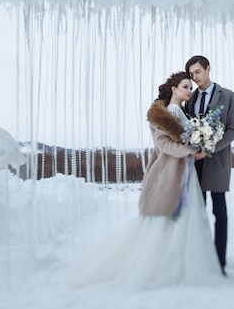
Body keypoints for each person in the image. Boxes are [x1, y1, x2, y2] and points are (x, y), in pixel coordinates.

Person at [68, 71, 223, 288]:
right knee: (161, 223)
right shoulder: (165, 114)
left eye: (191, 87)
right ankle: (154, 266)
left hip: (185, 173)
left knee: (184, 220)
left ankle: (181, 265)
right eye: (186, 86)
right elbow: (164, 145)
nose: (190, 90)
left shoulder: (181, 113)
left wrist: (201, 145)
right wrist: (191, 148)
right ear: (174, 89)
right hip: (169, 173)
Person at [184, 55, 234, 276]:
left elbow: (233, 130)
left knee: (219, 212)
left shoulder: (227, 95)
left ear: (208, 68)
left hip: (217, 162)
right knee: (198, 212)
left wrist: (211, 147)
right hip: (194, 164)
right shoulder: (190, 98)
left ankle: (220, 263)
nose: (195, 77)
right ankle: (201, 260)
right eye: (191, 74)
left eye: (197, 72)